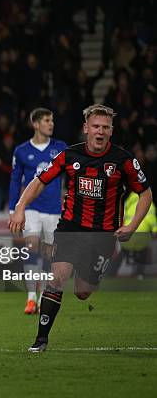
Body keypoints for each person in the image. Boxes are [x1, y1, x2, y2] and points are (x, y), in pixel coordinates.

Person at [9, 104, 153, 352]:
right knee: (57, 279)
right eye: (95, 126)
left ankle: (80, 270)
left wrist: (132, 225)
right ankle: (40, 340)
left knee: (83, 292)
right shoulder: (69, 155)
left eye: (105, 127)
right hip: (70, 229)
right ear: (86, 128)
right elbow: (40, 180)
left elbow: (146, 194)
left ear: (111, 131)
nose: (100, 132)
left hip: (103, 236)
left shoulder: (124, 160)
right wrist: (20, 206)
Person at [8, 108, 67, 314]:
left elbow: (71, 175)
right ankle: (31, 297)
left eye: (52, 120)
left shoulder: (61, 148)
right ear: (35, 124)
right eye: (47, 120)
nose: (51, 124)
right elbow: (15, 180)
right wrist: (13, 208)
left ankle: (43, 297)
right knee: (32, 246)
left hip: (53, 209)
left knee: (49, 253)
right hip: (32, 208)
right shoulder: (22, 151)